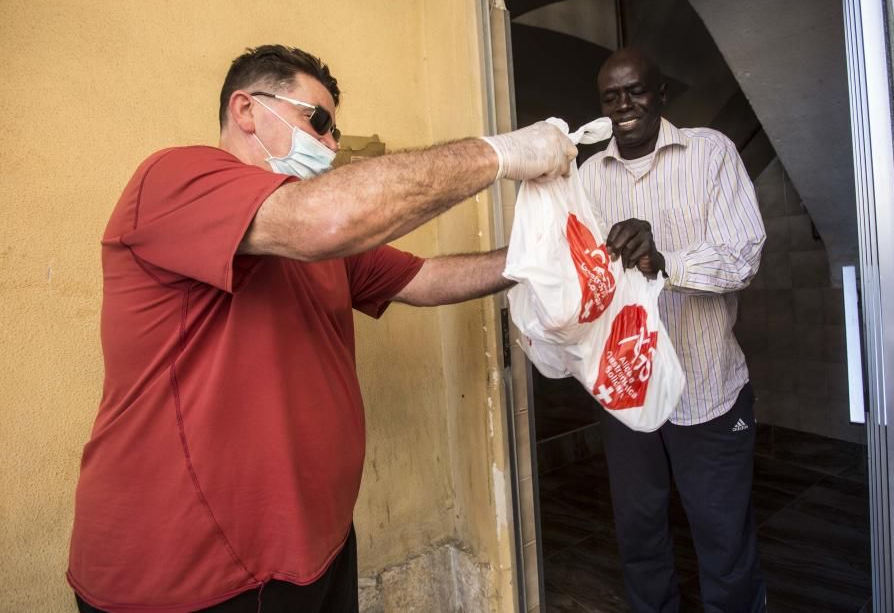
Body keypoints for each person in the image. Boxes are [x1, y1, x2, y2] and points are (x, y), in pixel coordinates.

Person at [67, 44, 575, 613]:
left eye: (335, 131)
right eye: (320, 121)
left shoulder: (320, 238)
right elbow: (327, 218)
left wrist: (537, 259)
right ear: (245, 110)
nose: (331, 144)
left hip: (316, 543)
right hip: (195, 568)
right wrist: (502, 153)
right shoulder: (175, 179)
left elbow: (424, 279)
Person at [579, 47, 768, 612]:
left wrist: (664, 262)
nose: (624, 105)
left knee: (722, 537)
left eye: (635, 91)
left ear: (661, 93)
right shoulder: (588, 178)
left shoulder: (710, 153)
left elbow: (744, 256)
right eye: (611, 97)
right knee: (639, 536)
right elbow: (585, 278)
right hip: (627, 392)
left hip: (706, 388)